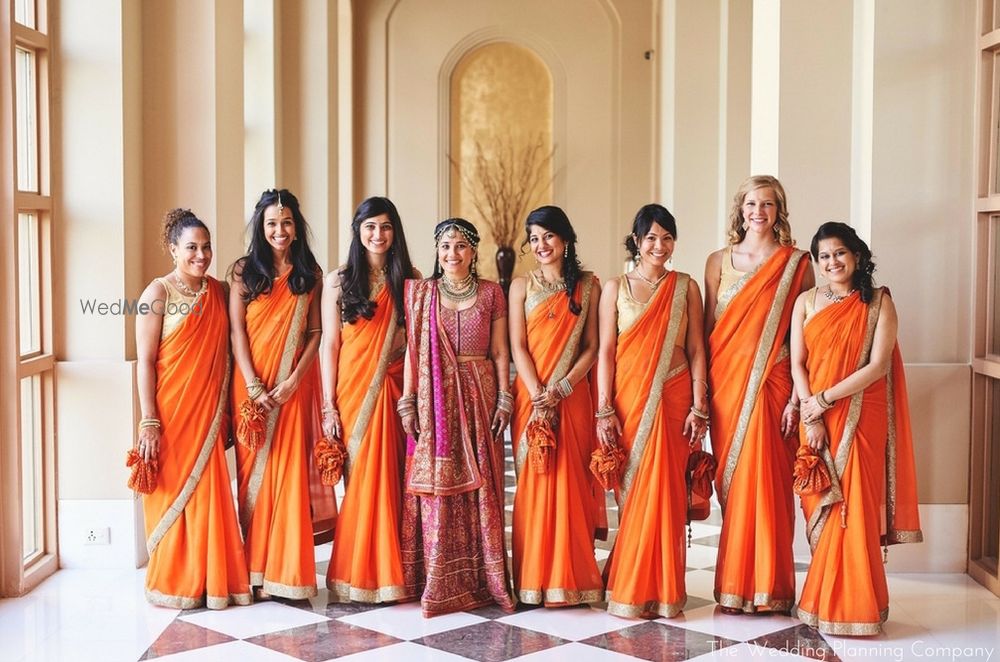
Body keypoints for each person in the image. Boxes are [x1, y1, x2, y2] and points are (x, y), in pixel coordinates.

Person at [790, 221, 922, 635]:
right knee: (823, 504)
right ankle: (825, 598)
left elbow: (877, 366)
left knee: (855, 506)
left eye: (840, 253)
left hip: (860, 412)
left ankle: (856, 606)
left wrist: (824, 401)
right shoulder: (806, 302)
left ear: (858, 256)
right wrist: (812, 413)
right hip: (815, 412)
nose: (832, 262)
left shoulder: (879, 302)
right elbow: (797, 362)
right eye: (824, 256)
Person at [703, 175, 814, 614]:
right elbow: (708, 328)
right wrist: (703, 391)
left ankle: (771, 586)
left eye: (768, 204)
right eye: (752, 203)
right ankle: (735, 585)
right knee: (734, 481)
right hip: (726, 385)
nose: (758, 212)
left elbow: (803, 333)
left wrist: (795, 400)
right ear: (740, 209)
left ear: (778, 211)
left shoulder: (797, 263)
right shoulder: (718, 261)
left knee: (768, 481)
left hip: (774, 385)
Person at [398, 218, 515, 617]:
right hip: (434, 403)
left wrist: (504, 398)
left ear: (474, 251)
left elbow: (500, 353)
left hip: (479, 397)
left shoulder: (492, 294)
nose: (453, 254)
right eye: (446, 246)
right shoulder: (421, 294)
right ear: (436, 250)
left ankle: (484, 581)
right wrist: (407, 402)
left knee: (483, 489)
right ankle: (435, 579)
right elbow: (414, 354)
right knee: (437, 491)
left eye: (461, 246)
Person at [596, 204, 709, 618]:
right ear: (637, 241)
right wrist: (604, 409)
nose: (658, 245)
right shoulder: (616, 287)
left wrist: (700, 405)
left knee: (666, 489)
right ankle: (630, 583)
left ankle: (662, 590)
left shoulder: (686, 287)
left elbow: (697, 349)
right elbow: (607, 351)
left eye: (666, 237)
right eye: (651, 238)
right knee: (634, 487)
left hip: (676, 398)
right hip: (629, 399)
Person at [134, 208, 251, 608]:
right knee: (173, 493)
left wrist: (232, 411)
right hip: (170, 415)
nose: (201, 255)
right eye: (191, 248)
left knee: (210, 493)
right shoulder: (158, 293)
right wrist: (149, 422)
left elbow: (230, 356)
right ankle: (174, 581)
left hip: (209, 413)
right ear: (173, 250)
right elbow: (146, 362)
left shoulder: (219, 292)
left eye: (206, 247)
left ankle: (212, 581)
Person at [229, 188, 331, 600]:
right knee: (252, 474)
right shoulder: (242, 272)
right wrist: (253, 383)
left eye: (286, 222)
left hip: (292, 388)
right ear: (261, 226)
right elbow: (237, 331)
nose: (279, 230)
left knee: (288, 474)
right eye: (272, 223)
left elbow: (315, 333)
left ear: (297, 226)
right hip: (250, 387)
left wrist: (292, 382)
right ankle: (254, 569)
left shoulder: (311, 274)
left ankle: (286, 574)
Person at [320, 197, 419, 603]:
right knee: (359, 479)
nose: (378, 235)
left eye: (386, 227)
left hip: (395, 391)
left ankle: (394, 572)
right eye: (370, 227)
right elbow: (330, 344)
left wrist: (411, 396)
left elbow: (416, 344)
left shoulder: (410, 280)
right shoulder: (338, 281)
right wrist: (328, 405)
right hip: (352, 391)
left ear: (395, 233)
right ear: (358, 233)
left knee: (394, 480)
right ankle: (356, 572)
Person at [508, 205, 604, 606]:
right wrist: (537, 392)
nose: (541, 245)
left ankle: (572, 578)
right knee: (535, 481)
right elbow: (518, 346)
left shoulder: (588, 285)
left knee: (571, 482)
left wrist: (562, 388)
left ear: (565, 239)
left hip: (573, 397)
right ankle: (533, 580)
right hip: (531, 399)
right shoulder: (519, 286)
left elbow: (593, 347)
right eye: (534, 238)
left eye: (548, 236)